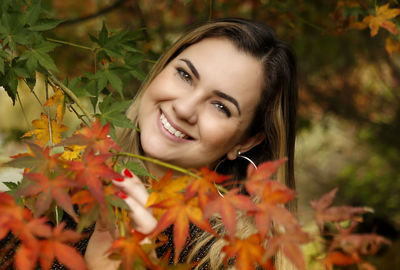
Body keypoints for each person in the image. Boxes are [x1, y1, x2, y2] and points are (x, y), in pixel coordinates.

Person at [85, 17, 298, 269]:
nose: (184, 108)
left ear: (247, 140)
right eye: (185, 75)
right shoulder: (72, 178)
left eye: (221, 106)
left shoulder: (231, 259)